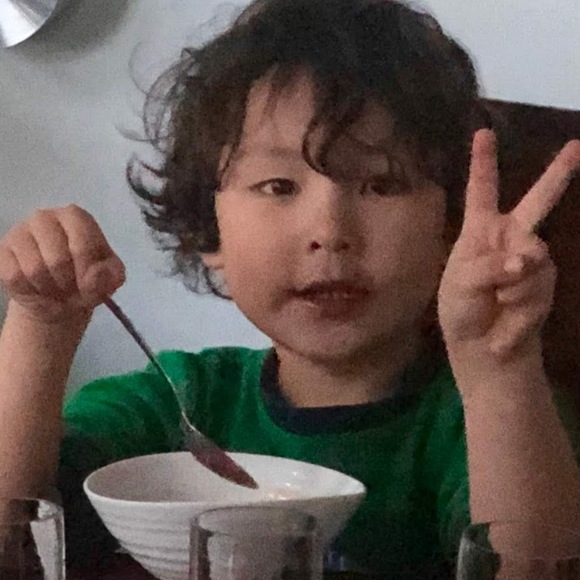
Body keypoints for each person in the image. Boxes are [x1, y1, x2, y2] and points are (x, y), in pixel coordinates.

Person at [1, 0, 579, 576]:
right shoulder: (175, 403)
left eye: (381, 184)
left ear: (449, 228)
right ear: (208, 229)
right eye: (279, 186)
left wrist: (500, 372)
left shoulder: (484, 417)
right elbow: (12, 536)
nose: (330, 231)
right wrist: (40, 330)